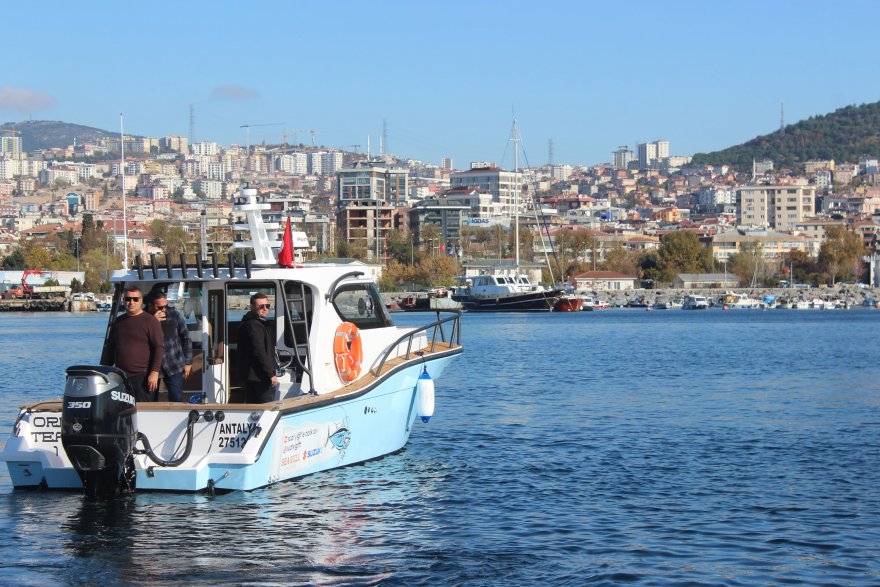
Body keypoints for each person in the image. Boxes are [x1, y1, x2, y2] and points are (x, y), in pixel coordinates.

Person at [101, 285, 165, 402]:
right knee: (122, 409)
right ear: (123, 300)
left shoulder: (151, 321)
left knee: (143, 410)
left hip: (143, 377)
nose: (131, 302)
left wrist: (154, 373)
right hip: (120, 377)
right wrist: (103, 372)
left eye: (135, 299)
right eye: (128, 299)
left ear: (141, 300)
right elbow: (110, 348)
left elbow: (159, 348)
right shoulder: (118, 322)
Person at [145, 290, 193, 402]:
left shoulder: (174, 314)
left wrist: (188, 362)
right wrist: (153, 322)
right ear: (150, 305)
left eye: (165, 306)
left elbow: (186, 336)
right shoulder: (143, 318)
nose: (164, 309)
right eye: (160, 307)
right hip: (150, 366)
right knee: (150, 399)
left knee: (177, 398)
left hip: (173, 363)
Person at [235, 292, 278, 403]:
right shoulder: (254, 324)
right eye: (261, 306)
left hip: (251, 376)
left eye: (267, 306)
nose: (265, 309)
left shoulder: (249, 322)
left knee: (252, 405)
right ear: (252, 307)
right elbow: (259, 351)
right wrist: (270, 374)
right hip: (260, 376)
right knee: (267, 406)